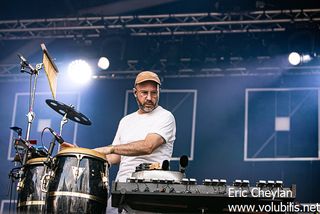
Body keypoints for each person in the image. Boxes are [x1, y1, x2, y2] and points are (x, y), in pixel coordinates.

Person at [62, 71, 176, 213]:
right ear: (135, 92)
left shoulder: (165, 116)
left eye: (154, 93)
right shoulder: (126, 121)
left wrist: (110, 149)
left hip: (151, 190)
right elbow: (115, 157)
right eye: (144, 92)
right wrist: (82, 155)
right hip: (121, 188)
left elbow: (148, 146)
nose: (149, 98)